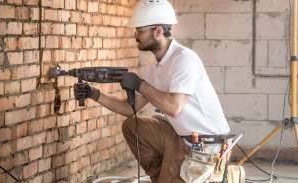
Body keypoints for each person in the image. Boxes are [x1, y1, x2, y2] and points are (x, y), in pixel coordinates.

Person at [74, 0, 230, 182]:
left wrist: (139, 85)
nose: (135, 35)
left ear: (158, 31)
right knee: (132, 126)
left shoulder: (184, 60)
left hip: (207, 146)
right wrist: (94, 94)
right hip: (179, 137)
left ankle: (219, 175)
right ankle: (163, 176)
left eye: (140, 30)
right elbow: (128, 109)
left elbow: (173, 107)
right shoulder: (151, 68)